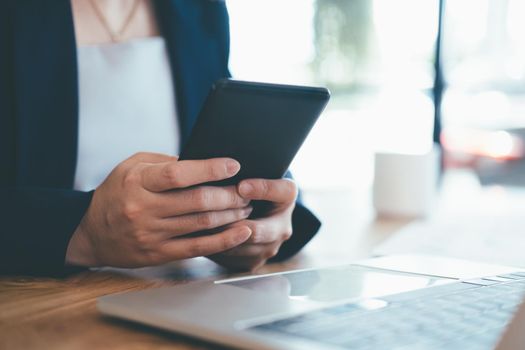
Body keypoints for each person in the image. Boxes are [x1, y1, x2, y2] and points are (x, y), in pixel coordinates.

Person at [0, 0, 321, 276]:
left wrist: (263, 217)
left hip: (176, 293)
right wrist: (83, 231)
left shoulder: (198, 8)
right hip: (42, 310)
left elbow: (227, 141)